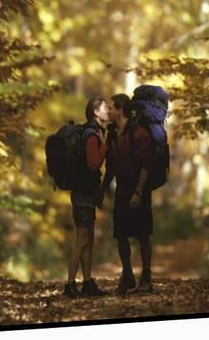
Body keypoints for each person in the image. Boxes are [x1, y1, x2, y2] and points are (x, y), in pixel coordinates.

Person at [99, 93, 154, 294]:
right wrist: (102, 190)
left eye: (111, 107)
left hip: (139, 186)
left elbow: (146, 166)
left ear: (121, 109)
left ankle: (146, 277)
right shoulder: (112, 133)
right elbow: (110, 167)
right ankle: (128, 276)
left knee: (142, 234)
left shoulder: (139, 133)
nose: (108, 110)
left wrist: (138, 192)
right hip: (122, 187)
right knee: (121, 234)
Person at [63, 96, 110, 298]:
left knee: (89, 238)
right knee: (82, 239)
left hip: (87, 192)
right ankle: (70, 284)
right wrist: (106, 146)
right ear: (95, 113)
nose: (108, 110)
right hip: (82, 193)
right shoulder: (91, 135)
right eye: (105, 108)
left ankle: (88, 282)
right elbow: (93, 164)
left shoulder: (97, 132)